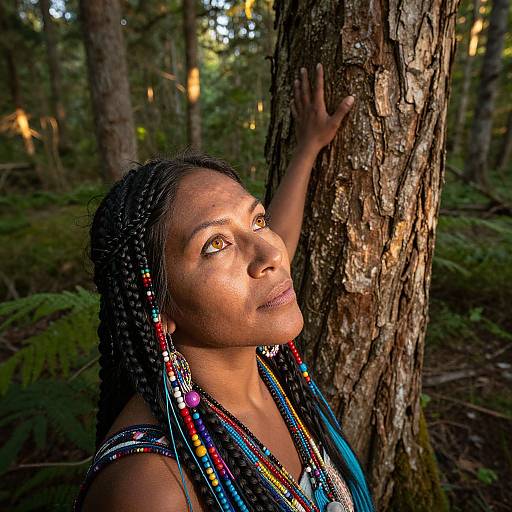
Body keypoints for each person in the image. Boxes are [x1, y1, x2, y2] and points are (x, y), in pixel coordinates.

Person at [75, 63, 375, 512]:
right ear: (159, 304)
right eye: (215, 245)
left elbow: (280, 238)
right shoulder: (151, 488)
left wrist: (308, 148)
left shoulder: (266, 374)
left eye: (256, 220)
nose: (271, 254)